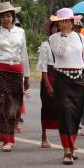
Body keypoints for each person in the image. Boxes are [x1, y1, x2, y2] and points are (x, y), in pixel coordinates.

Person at [0, 2, 30, 152]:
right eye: (2, 17)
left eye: (8, 16)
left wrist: (26, 75)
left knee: (14, 106)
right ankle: (6, 140)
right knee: (0, 105)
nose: (6, 19)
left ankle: (10, 136)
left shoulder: (20, 32)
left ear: (13, 17)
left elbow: (24, 54)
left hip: (16, 71)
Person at [49, 8, 84, 165]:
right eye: (62, 21)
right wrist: (65, 35)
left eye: (68, 21)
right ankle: (66, 150)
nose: (66, 23)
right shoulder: (54, 38)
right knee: (66, 111)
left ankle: (72, 146)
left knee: (76, 114)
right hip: (62, 78)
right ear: (58, 23)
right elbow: (61, 53)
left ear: (73, 21)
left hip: (78, 78)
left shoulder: (80, 37)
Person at [36, 20, 60, 148]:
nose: (56, 29)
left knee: (64, 109)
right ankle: (44, 137)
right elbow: (43, 67)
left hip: (62, 78)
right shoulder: (46, 45)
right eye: (54, 26)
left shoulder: (65, 43)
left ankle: (66, 139)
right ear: (50, 29)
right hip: (49, 78)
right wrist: (47, 85)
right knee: (47, 108)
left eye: (58, 26)